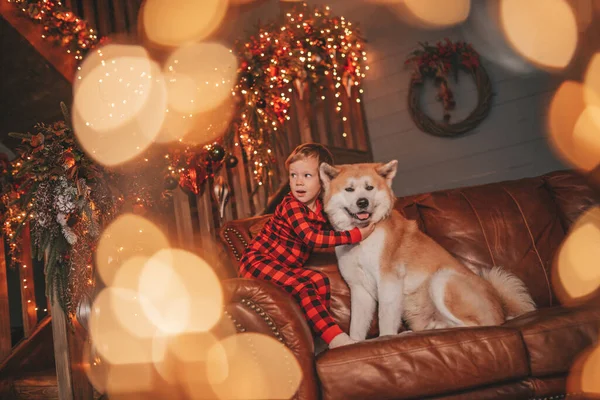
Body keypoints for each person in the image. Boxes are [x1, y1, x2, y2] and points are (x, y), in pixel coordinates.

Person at [239, 143, 375, 348]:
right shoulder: (292, 206)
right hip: (258, 261)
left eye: (307, 176)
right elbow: (312, 238)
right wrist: (354, 235)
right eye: (294, 175)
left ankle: (316, 338)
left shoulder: (321, 207)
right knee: (303, 287)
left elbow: (337, 221)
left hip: (285, 267)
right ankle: (336, 338)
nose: (298, 182)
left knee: (319, 280)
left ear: (323, 180)